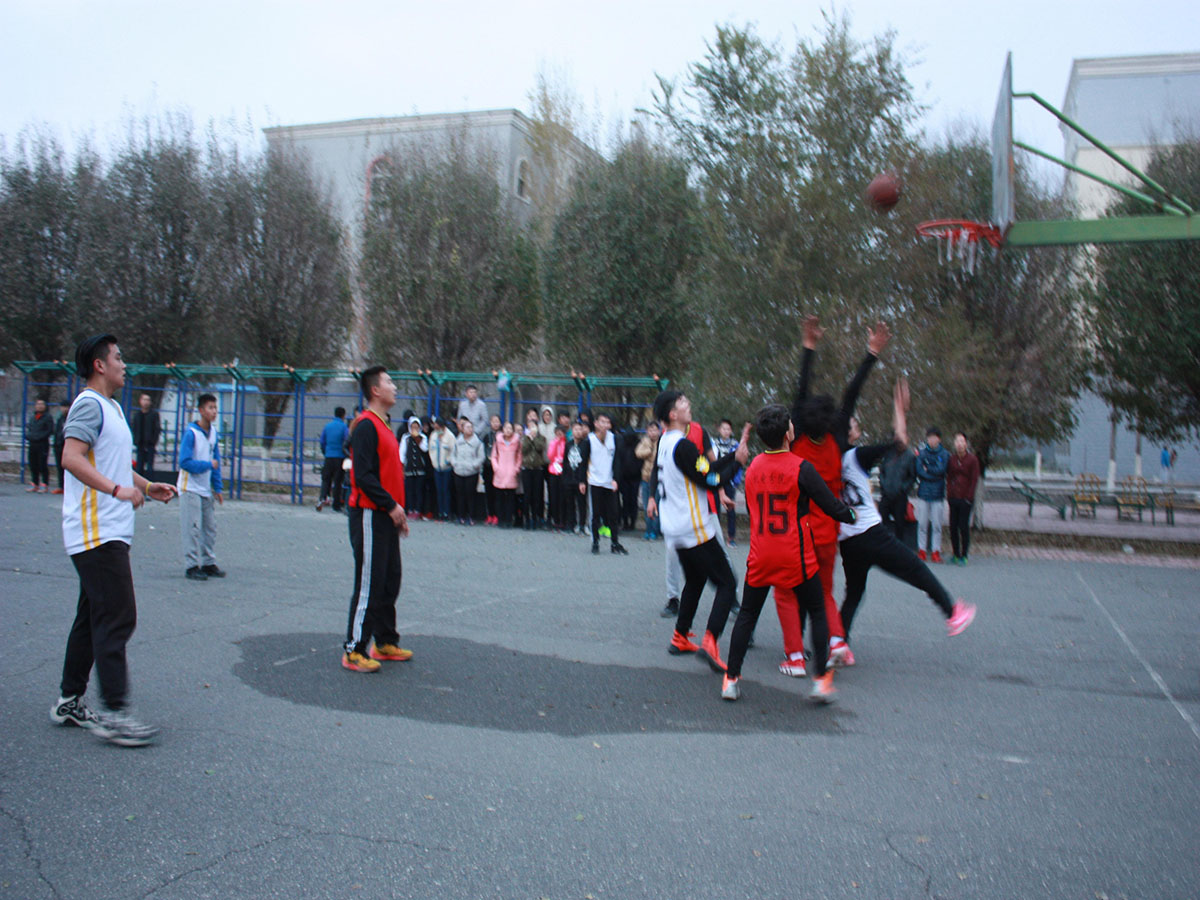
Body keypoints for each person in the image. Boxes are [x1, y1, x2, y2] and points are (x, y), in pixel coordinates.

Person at [51, 333, 178, 746]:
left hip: (108, 530)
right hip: (96, 532)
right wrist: (116, 490)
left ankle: (70, 700)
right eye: (118, 357)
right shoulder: (88, 404)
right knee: (117, 616)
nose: (124, 364)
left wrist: (146, 485)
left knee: (93, 616)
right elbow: (71, 457)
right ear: (100, 365)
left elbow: (115, 464)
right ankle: (115, 714)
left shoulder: (112, 409)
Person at [722, 404, 857, 704]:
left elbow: (755, 508)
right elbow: (830, 505)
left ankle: (730, 680)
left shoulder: (754, 467)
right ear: (788, 434)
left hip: (760, 553)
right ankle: (820, 681)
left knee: (747, 614)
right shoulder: (801, 467)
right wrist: (851, 514)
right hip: (795, 555)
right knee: (818, 609)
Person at [776, 317, 889, 674]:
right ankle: (838, 641)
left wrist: (808, 347)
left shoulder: (797, 439)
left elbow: (801, 392)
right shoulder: (838, 438)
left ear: (800, 421)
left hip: (800, 531)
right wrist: (871, 354)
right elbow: (851, 395)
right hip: (828, 532)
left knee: (789, 591)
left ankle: (795, 655)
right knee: (823, 592)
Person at [836, 379, 976, 652]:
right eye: (853, 423)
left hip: (848, 540)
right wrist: (899, 409)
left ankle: (839, 642)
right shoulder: (857, 456)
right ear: (848, 433)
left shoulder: (829, 460)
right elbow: (900, 442)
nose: (855, 424)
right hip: (869, 533)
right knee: (916, 568)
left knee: (854, 593)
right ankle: (952, 612)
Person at [654, 390, 742, 671]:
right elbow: (711, 480)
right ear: (673, 414)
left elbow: (704, 467)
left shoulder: (667, 443)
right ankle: (710, 642)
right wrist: (738, 464)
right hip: (693, 528)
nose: (688, 404)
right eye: (683, 403)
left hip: (675, 528)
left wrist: (733, 457)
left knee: (696, 579)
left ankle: (680, 636)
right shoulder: (682, 446)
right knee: (727, 583)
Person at [342, 366, 412, 673]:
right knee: (369, 583)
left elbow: (390, 475)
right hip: (370, 513)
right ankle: (354, 648)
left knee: (390, 579)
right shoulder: (366, 426)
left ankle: (384, 641)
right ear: (375, 390)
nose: (394, 387)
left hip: (386, 515)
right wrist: (390, 505)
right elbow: (364, 477)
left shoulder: (384, 425)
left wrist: (398, 512)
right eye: (389, 382)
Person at [177, 393, 225, 581]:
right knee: (192, 527)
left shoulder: (213, 433)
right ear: (201, 410)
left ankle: (208, 562)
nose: (214, 412)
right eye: (210, 408)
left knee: (210, 527)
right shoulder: (191, 433)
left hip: (205, 488)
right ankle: (191, 565)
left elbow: (216, 461)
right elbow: (185, 462)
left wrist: (218, 487)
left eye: (215, 408)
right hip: (190, 487)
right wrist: (207, 465)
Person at [587, 412, 627, 555]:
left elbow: (618, 460)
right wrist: (582, 481)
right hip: (595, 481)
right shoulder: (590, 439)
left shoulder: (615, 439)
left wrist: (616, 479)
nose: (605, 425)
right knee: (595, 514)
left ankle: (614, 543)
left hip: (610, 482)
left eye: (607, 422)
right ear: (596, 423)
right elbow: (584, 461)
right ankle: (595, 542)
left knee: (613, 514)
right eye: (602, 422)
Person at [915, 427, 950, 563]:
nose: (932, 440)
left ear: (939, 439)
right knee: (922, 524)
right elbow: (920, 471)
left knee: (937, 525)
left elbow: (941, 471)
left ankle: (936, 551)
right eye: (929, 437)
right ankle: (922, 550)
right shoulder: (922, 453)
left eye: (934, 437)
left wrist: (928, 468)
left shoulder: (945, 454)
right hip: (923, 493)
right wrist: (932, 473)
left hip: (938, 494)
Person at [946, 432, 980, 565]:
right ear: (954, 444)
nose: (959, 444)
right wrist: (949, 493)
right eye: (957, 441)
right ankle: (955, 553)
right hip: (953, 497)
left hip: (966, 498)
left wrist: (969, 497)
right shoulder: (952, 459)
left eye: (962, 441)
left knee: (963, 526)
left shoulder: (972, 459)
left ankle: (964, 555)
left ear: (966, 444)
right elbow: (949, 477)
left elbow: (974, 479)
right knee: (953, 526)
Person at [878, 443, 917, 542]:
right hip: (886, 495)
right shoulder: (888, 454)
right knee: (881, 521)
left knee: (900, 524)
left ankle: (899, 546)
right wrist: (884, 485)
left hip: (900, 496)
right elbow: (881, 472)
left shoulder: (910, 456)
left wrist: (903, 488)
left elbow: (912, 477)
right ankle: (882, 545)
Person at [712, 419, 741, 545]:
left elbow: (739, 463)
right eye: (724, 428)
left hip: (729, 481)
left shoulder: (735, 445)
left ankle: (731, 537)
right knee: (715, 509)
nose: (726, 431)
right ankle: (715, 536)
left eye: (728, 429)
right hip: (716, 480)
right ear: (719, 429)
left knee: (731, 509)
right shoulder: (713, 443)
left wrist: (735, 480)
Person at [450, 417, 485, 525]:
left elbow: (481, 457)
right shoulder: (458, 441)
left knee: (471, 495)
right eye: (467, 427)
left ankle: (471, 516)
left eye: (471, 427)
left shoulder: (477, 443)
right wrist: (455, 464)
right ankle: (461, 516)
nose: (470, 429)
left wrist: (474, 465)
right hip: (459, 471)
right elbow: (453, 454)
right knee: (460, 495)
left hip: (471, 472)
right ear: (462, 429)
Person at [316, 406, 349, 512]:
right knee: (338, 481)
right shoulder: (344, 427)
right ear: (343, 415)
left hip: (329, 456)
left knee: (326, 479)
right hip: (339, 457)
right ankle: (336, 505)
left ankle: (322, 498)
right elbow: (346, 440)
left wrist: (325, 452)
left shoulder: (327, 426)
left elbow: (322, 441)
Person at [491, 420, 522, 527]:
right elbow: (494, 456)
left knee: (510, 499)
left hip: (511, 473)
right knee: (499, 498)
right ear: (503, 429)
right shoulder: (498, 441)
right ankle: (501, 520)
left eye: (510, 428)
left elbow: (519, 457)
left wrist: (516, 469)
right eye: (506, 428)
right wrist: (496, 468)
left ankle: (509, 520)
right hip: (500, 472)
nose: (508, 430)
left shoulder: (517, 442)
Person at [561, 419, 590, 534]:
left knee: (582, 503)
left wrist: (583, 480)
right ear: (572, 431)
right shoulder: (568, 445)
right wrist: (564, 478)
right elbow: (565, 461)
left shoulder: (586, 445)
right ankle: (570, 524)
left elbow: (585, 464)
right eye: (575, 429)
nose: (578, 431)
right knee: (570, 503)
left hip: (580, 479)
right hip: (569, 478)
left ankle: (582, 524)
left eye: (580, 429)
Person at [520, 408, 547, 530]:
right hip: (526, 468)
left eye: (534, 426)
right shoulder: (524, 438)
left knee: (537, 495)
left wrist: (534, 438)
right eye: (530, 426)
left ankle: (536, 518)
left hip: (538, 469)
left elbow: (540, 448)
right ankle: (526, 518)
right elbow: (523, 450)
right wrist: (529, 438)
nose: (532, 429)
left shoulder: (541, 438)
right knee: (527, 495)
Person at [398, 416, 429, 518]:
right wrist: (402, 466)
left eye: (416, 427)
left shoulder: (423, 437)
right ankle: (410, 509)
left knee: (419, 490)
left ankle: (418, 509)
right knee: (410, 490)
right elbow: (402, 453)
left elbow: (424, 449)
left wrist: (417, 438)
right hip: (409, 468)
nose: (414, 429)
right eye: (413, 427)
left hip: (420, 468)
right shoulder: (406, 438)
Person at [635, 422, 661, 540]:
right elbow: (638, 453)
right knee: (646, 506)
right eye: (650, 430)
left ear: (658, 431)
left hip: (658, 479)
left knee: (656, 505)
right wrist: (649, 450)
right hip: (646, 477)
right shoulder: (645, 441)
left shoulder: (662, 442)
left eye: (655, 430)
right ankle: (648, 530)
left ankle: (655, 531)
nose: (653, 433)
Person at [427, 416, 455, 521]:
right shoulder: (433, 435)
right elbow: (431, 450)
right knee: (439, 491)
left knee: (446, 491)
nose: (436, 429)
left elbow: (453, 451)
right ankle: (440, 511)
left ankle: (446, 512)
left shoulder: (450, 436)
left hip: (446, 468)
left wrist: (448, 461)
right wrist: (434, 462)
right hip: (437, 468)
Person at [129, 392, 161, 478]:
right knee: (139, 466)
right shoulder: (137, 415)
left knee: (150, 467)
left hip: (150, 444)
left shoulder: (154, 415)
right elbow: (134, 428)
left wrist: (153, 441)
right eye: (144, 400)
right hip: (140, 444)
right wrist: (136, 441)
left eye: (148, 400)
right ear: (140, 401)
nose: (146, 402)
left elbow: (157, 429)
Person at [26, 398, 54, 492]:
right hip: (32, 444)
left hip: (42, 444)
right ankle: (35, 483)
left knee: (42, 464)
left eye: (42, 404)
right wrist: (29, 436)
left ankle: (44, 484)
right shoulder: (33, 417)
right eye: (38, 404)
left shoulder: (48, 417)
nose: (40, 406)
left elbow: (49, 430)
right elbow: (29, 429)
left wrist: (39, 437)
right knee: (33, 464)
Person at [481, 413, 502, 525]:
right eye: (493, 421)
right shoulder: (486, 436)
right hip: (488, 467)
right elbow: (483, 450)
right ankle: (490, 514)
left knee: (497, 493)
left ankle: (497, 515)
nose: (495, 424)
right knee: (488, 492)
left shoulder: (503, 436)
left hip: (499, 468)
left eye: (497, 421)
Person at [546, 423, 566, 532]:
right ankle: (554, 519)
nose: (559, 435)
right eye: (557, 433)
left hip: (562, 471)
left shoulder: (566, 443)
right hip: (553, 470)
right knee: (553, 496)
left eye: (561, 433)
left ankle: (562, 520)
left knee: (562, 496)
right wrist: (555, 443)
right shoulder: (553, 442)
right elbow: (550, 455)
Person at [52, 398, 71, 493]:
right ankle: (61, 486)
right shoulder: (59, 419)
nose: (64, 409)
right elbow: (56, 432)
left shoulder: (72, 419)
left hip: (67, 446)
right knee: (60, 467)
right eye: (63, 407)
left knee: (69, 468)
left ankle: (68, 487)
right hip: (58, 446)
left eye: (66, 407)